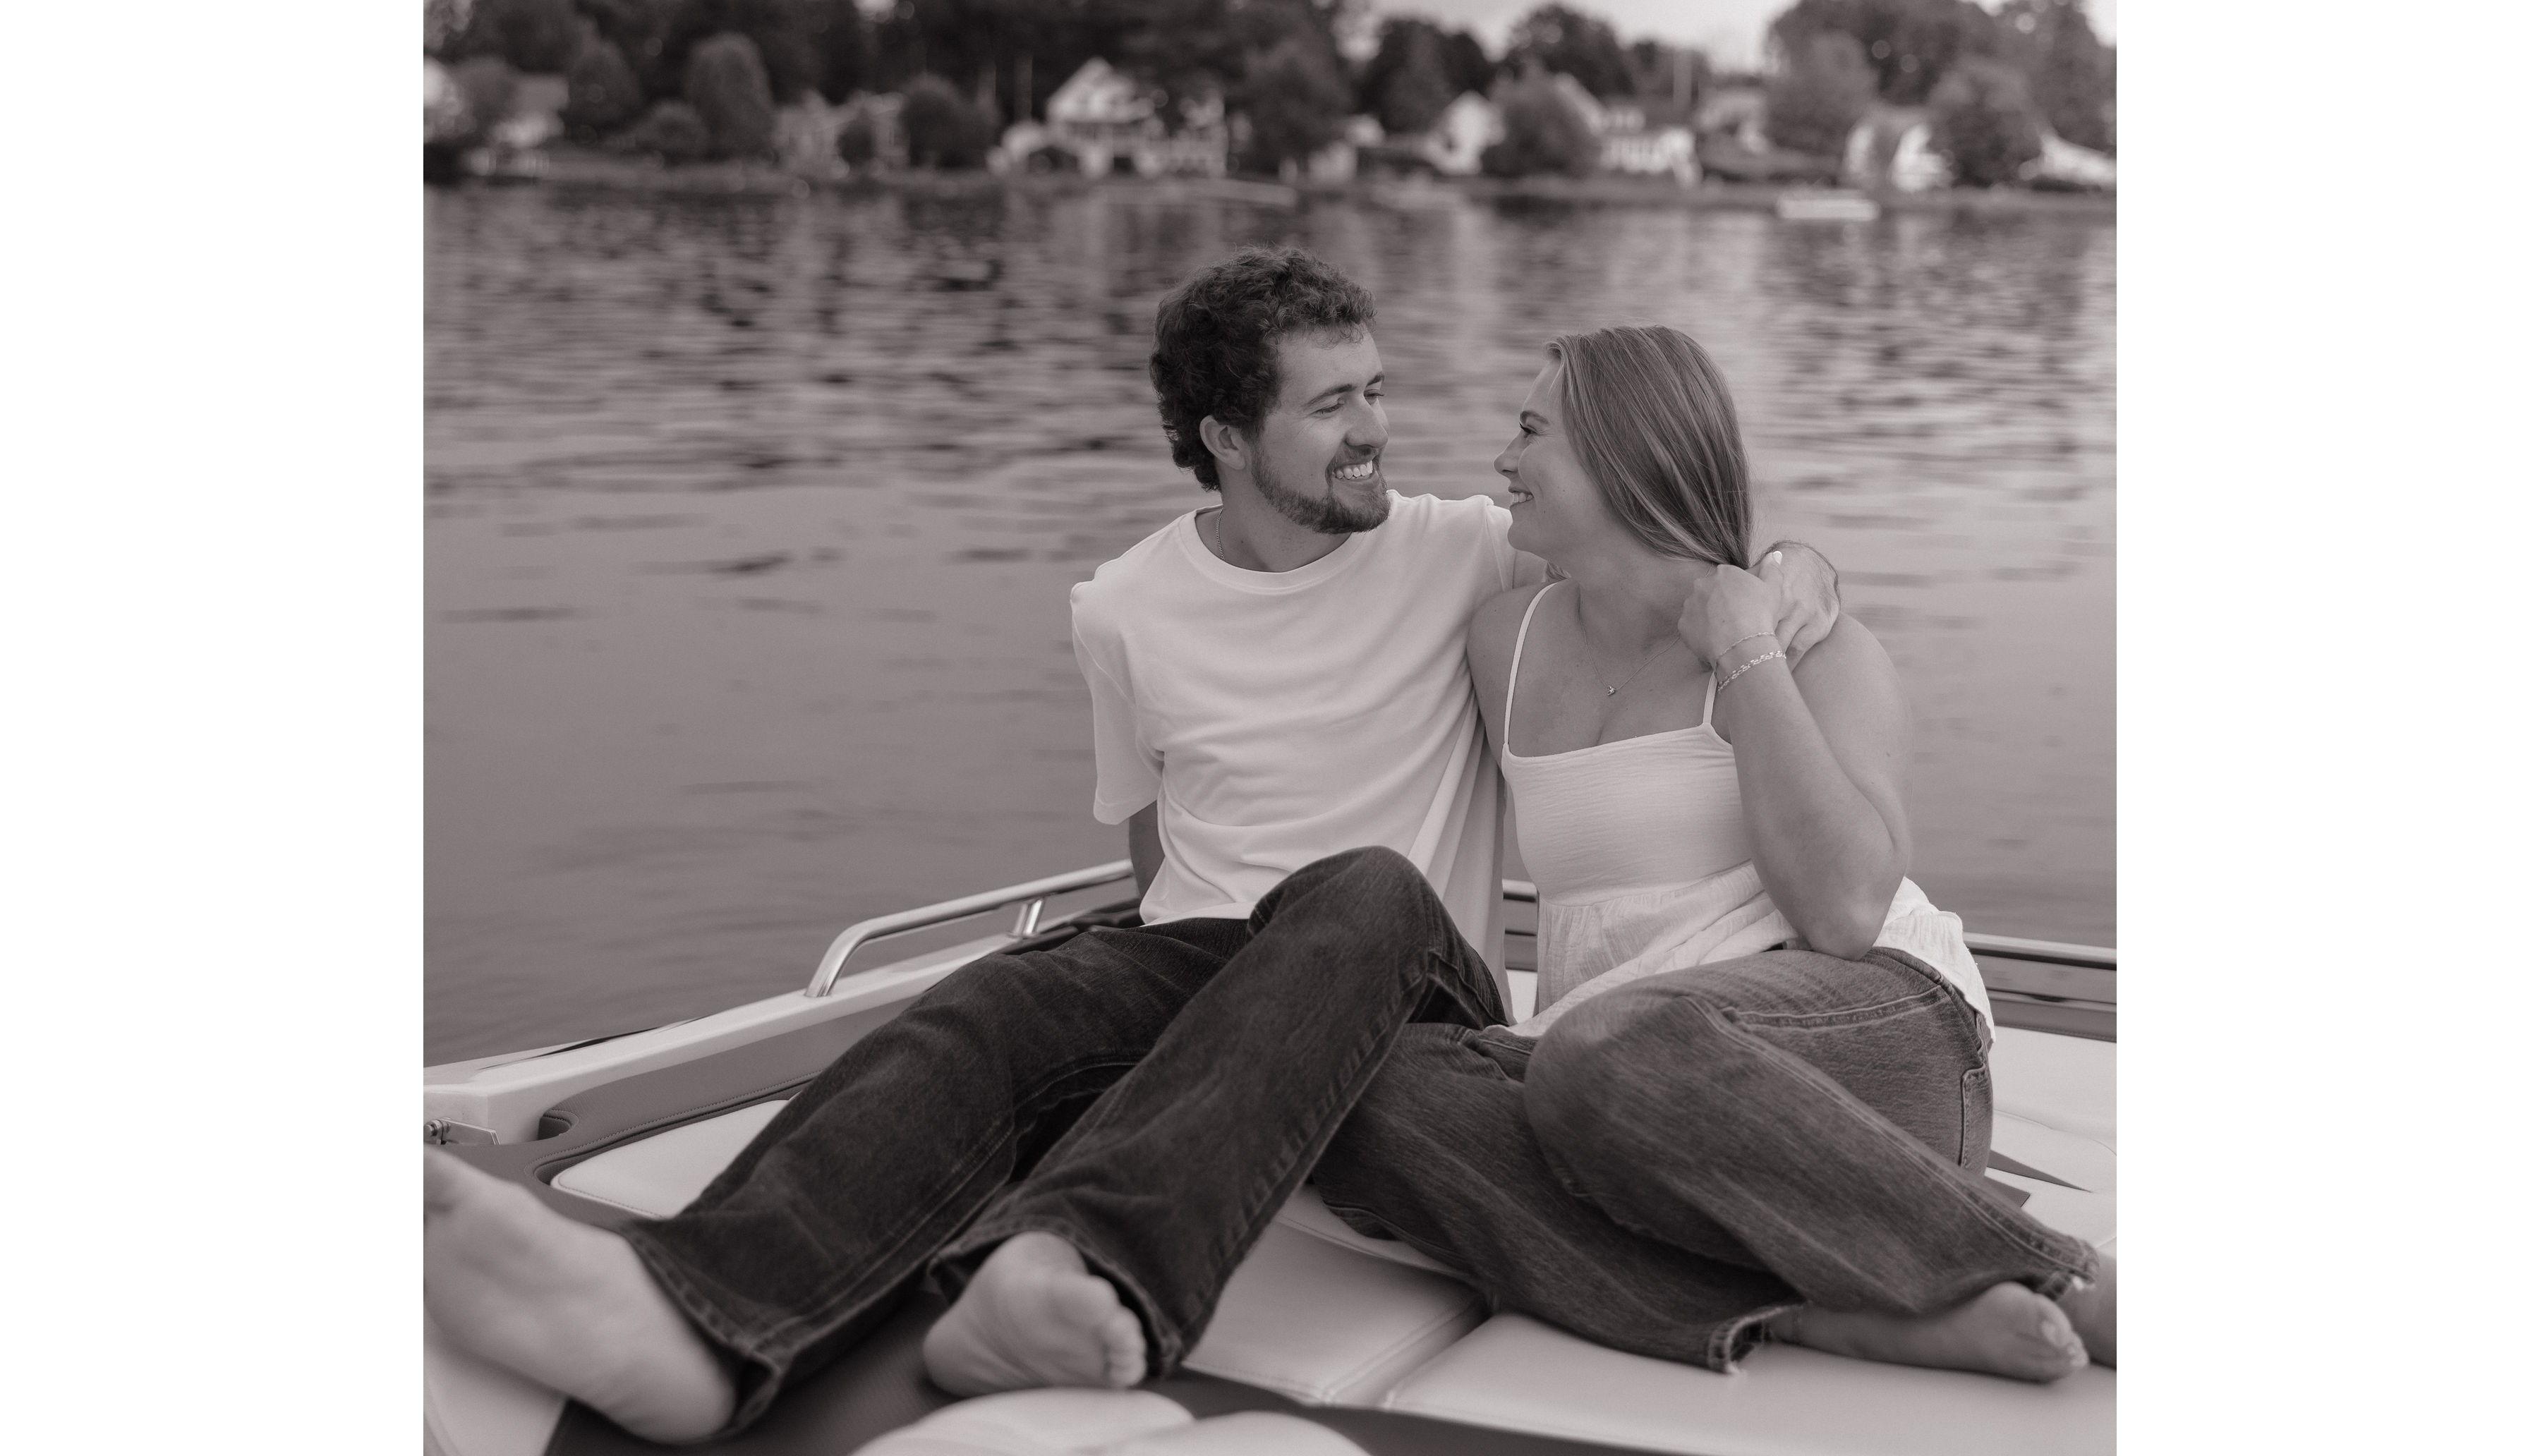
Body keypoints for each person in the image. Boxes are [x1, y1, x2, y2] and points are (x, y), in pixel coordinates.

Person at [423, 253, 1839, 1440]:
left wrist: (1793, 575)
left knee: (1360, 890)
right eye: (1331, 404)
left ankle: (1084, 1265)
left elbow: (1673, 552)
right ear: (1225, 437)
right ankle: (695, 1323)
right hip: (1209, 973)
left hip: (1405, 983)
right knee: (1002, 995)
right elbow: (1158, 871)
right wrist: (1122, 1014)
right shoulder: (1122, 610)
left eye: (1376, 390)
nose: (1375, 430)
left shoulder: (1468, 552)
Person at [1300, 324, 2117, 1383]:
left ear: (1626, 456)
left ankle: (2055, 1275)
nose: (1503, 459)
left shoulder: (1814, 648)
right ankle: (1805, 1314)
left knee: (1610, 1049)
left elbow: (1844, 914)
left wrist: (1744, 650)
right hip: (1620, 1102)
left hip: (1871, 1043)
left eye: (1532, 432)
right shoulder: (1503, 640)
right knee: (1367, 1092)